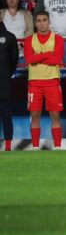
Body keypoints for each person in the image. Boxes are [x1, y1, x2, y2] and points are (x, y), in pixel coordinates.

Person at [25, 10, 64, 150]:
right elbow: (29, 59)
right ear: (35, 24)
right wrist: (48, 54)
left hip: (52, 81)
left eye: (44, 20)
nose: (42, 23)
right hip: (34, 83)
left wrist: (38, 57)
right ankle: (35, 147)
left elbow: (57, 60)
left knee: (55, 115)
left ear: (49, 21)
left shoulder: (57, 38)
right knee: (35, 115)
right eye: (39, 21)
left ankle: (58, 147)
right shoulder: (29, 39)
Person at [0, 15, 17, 150]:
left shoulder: (10, 37)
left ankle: (8, 147)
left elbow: (14, 60)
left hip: (4, 83)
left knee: (6, 115)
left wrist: (5, 75)